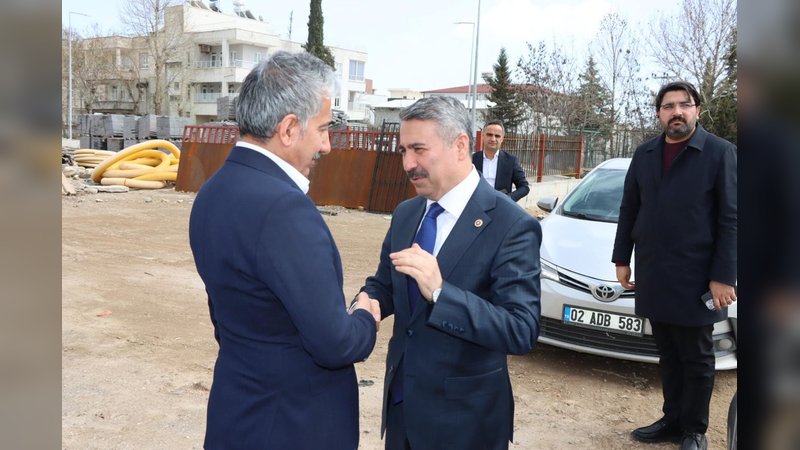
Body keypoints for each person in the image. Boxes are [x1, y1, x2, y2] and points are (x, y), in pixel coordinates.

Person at [189, 51, 380, 450]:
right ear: (289, 128)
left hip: (239, 413)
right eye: (324, 129)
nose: (327, 145)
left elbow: (226, 321)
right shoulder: (283, 208)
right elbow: (334, 343)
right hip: (292, 425)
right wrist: (365, 318)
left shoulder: (213, 192)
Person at [357, 97, 542, 450]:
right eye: (402, 151)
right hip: (402, 410)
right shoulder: (407, 214)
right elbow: (385, 283)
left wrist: (442, 293)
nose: (408, 164)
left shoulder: (512, 225)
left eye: (419, 150)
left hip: (465, 423)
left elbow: (521, 329)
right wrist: (366, 302)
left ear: (460, 145)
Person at [612, 81, 737, 450]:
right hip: (654, 272)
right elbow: (629, 208)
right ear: (659, 114)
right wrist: (622, 258)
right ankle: (672, 419)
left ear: (697, 110)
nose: (677, 112)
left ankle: (694, 430)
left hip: (698, 277)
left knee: (697, 357)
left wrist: (723, 276)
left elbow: (731, 219)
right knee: (667, 353)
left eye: (685, 105)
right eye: (669, 106)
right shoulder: (645, 153)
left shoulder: (719, 153)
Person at [471, 120, 530, 202]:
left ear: (502, 139)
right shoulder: (472, 160)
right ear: (483, 136)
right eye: (489, 135)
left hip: (500, 208)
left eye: (497, 136)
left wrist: (508, 199)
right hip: (477, 206)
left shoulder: (511, 161)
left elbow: (524, 187)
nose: (493, 139)